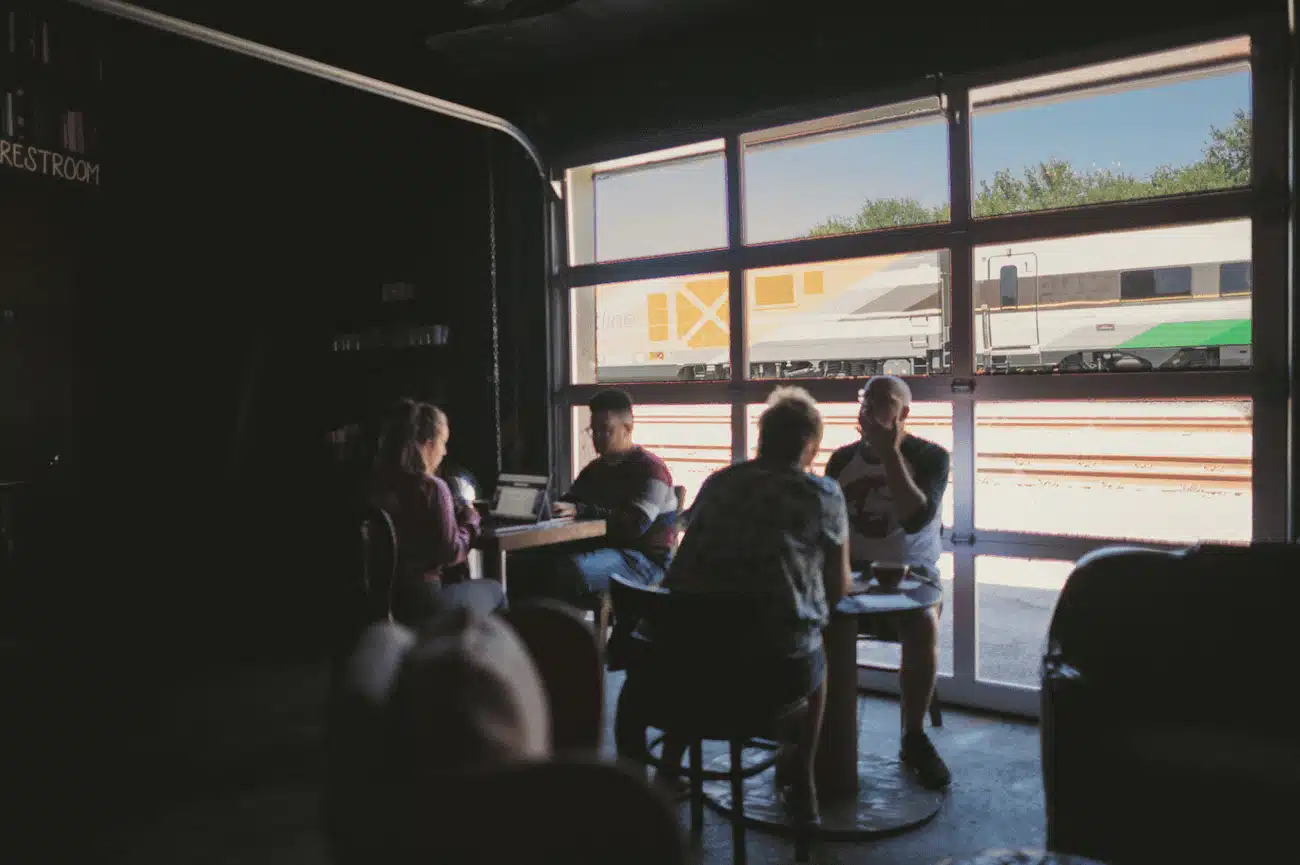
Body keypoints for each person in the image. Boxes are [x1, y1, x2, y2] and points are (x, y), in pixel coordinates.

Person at [643, 386, 850, 823]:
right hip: (772, 681)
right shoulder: (823, 495)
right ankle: (804, 780)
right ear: (810, 446)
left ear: (761, 439)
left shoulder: (720, 484)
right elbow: (840, 588)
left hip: (690, 676)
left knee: (701, 631)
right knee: (818, 656)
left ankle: (667, 771)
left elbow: (689, 564)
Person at [824, 375, 951, 790]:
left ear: (904, 414)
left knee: (922, 624)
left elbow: (916, 517)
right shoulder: (841, 461)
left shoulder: (930, 457)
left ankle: (912, 737)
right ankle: (823, 730)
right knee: (815, 619)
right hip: (853, 575)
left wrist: (889, 453)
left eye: (884, 401)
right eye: (866, 401)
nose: (871, 409)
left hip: (913, 576)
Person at [513, 389, 677, 606]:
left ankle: (561, 633)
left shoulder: (651, 470)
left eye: (605, 430)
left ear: (628, 428)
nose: (597, 438)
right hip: (602, 549)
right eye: (593, 430)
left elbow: (634, 525)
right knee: (522, 562)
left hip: (644, 560)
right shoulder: (595, 469)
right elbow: (571, 500)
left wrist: (581, 510)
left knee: (561, 572)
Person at [366, 399, 504, 626]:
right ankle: (490, 659)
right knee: (495, 591)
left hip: (384, 603)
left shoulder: (376, 486)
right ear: (428, 445)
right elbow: (450, 552)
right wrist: (470, 520)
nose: (445, 451)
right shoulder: (432, 489)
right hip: (424, 603)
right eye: (443, 442)